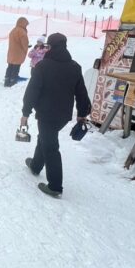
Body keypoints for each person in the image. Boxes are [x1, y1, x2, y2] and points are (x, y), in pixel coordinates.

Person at [20, 32, 91, 197]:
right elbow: (82, 93)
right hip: (63, 116)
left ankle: (55, 186)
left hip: (46, 114)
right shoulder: (75, 67)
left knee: (50, 146)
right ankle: (36, 165)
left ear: (51, 47)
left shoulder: (42, 66)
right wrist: (82, 113)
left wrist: (25, 113)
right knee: (46, 138)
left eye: (47, 46)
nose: (46, 49)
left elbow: (32, 92)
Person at [5, 17, 29, 87]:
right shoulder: (21, 31)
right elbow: (24, 43)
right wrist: (26, 48)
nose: (26, 26)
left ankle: (7, 80)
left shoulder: (13, 30)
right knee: (16, 67)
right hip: (18, 52)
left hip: (11, 51)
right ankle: (13, 80)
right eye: (26, 24)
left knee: (10, 66)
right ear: (23, 23)